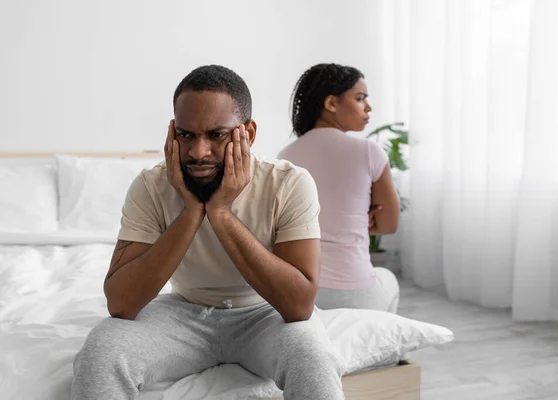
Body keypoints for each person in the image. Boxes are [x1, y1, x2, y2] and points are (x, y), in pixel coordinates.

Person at [71, 65, 344, 400]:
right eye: (186, 135)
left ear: (249, 133)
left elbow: (299, 306)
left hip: (265, 313)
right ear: (172, 132)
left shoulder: (288, 183)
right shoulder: (150, 186)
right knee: (103, 349)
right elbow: (121, 303)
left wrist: (221, 212)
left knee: (313, 357)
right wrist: (190, 212)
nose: (198, 153)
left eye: (217, 135)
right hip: (185, 310)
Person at [278, 63, 401, 313]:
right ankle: (387, 348)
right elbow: (389, 225)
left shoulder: (285, 156)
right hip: (357, 292)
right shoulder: (368, 152)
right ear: (332, 103)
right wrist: (362, 218)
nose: (368, 107)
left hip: (303, 294)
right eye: (360, 98)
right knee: (388, 279)